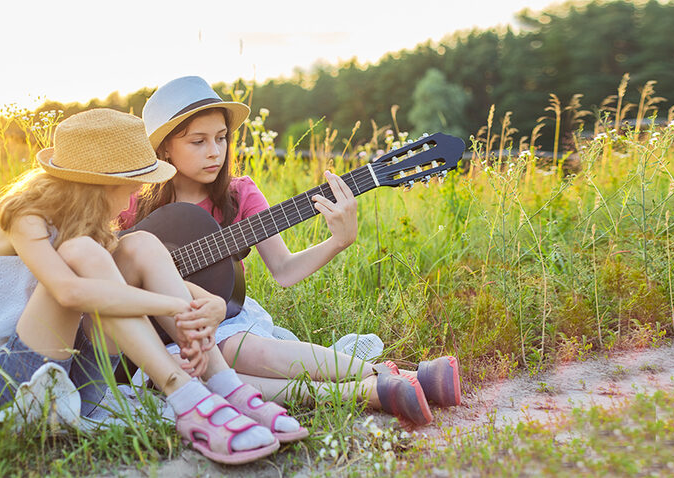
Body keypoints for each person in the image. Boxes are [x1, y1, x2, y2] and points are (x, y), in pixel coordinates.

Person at [0, 108, 309, 465]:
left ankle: (226, 385)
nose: (134, 195)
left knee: (142, 244)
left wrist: (206, 302)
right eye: (131, 186)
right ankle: (184, 395)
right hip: (6, 388)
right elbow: (68, 292)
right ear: (101, 184)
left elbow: (149, 269)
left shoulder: (85, 221)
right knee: (84, 252)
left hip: (77, 382)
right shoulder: (25, 216)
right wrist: (171, 307)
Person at [119, 76, 461, 428]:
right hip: (158, 331)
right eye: (198, 141)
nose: (214, 151)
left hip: (227, 321)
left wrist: (337, 242)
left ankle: (389, 375)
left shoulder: (240, 195)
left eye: (221, 138)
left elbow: (283, 270)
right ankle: (373, 391)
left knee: (245, 351)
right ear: (163, 150)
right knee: (197, 377)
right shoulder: (132, 204)